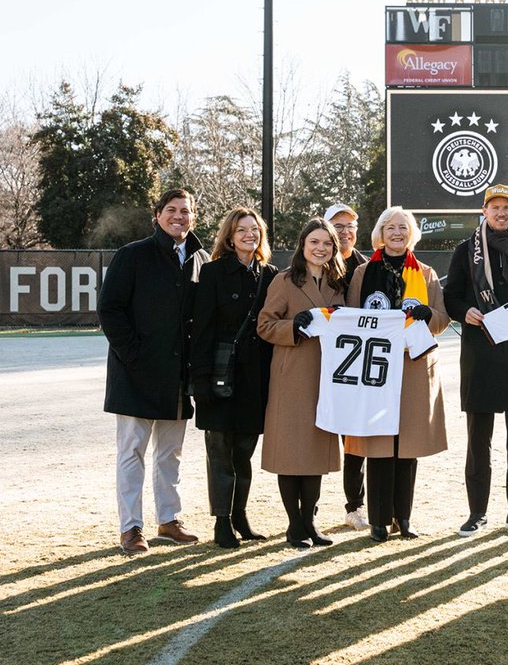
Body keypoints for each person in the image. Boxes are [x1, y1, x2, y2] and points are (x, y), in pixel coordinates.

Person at [100, 188, 208, 554]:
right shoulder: (132, 255)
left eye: (186, 211)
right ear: (158, 214)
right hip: (135, 374)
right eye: (172, 210)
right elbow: (110, 310)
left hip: (177, 376)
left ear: (194, 217)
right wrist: (134, 356)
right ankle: (131, 528)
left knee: (169, 454)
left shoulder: (200, 258)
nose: (179, 216)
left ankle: (168, 520)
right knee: (132, 453)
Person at [444, 184, 508, 537]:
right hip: (480, 353)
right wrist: (465, 311)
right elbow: (451, 297)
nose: (501, 213)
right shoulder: (466, 250)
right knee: (479, 441)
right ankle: (477, 513)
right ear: (484, 211)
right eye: (495, 207)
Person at [345, 207, 448, 542]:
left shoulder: (427, 273)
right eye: (391, 227)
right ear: (380, 232)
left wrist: (427, 313)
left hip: (413, 368)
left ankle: (403, 517)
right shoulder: (363, 273)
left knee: (408, 446)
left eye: (404, 228)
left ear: (411, 233)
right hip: (376, 367)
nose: (397, 233)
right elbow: (351, 316)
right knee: (378, 444)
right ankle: (378, 519)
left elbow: (442, 319)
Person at [190, 207, 277, 548]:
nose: (248, 235)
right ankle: (222, 521)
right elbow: (201, 331)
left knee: (243, 452)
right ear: (229, 235)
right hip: (220, 374)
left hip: (254, 378)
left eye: (254, 229)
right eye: (241, 230)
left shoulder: (269, 275)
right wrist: (200, 380)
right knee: (219, 451)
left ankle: (240, 516)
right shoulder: (212, 273)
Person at [256, 218, 345, 548]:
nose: (321, 248)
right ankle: (294, 524)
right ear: (303, 246)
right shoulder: (285, 281)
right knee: (292, 453)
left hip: (327, 377)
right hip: (292, 375)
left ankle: (310, 520)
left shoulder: (339, 284)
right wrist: (294, 325)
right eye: (314, 242)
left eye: (327, 243)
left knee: (315, 453)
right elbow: (264, 326)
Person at [323, 202, 372, 532]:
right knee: (315, 435)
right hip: (320, 360)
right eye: (337, 226)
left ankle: (355, 506)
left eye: (350, 226)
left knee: (355, 441)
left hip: (356, 365)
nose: (345, 232)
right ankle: (307, 504)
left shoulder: (367, 268)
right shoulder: (312, 263)